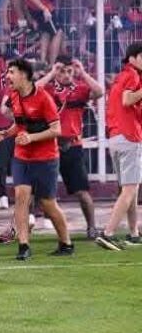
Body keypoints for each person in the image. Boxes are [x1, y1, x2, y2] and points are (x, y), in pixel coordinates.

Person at [0, 58, 74, 260]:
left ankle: (66, 243)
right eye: (7, 72)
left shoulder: (44, 98)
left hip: (46, 158)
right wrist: (6, 133)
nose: (7, 76)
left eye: (11, 72)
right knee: (21, 197)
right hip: (22, 156)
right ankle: (23, 246)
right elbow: (20, 125)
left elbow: (56, 130)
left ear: (24, 75)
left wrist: (31, 138)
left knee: (48, 204)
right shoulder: (13, 96)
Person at [36, 57, 104, 238]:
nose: (66, 75)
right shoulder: (48, 90)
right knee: (40, 191)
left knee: (82, 192)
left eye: (69, 71)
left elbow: (99, 91)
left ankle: (91, 227)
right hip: (49, 146)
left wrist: (83, 72)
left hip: (72, 146)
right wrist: (51, 73)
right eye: (62, 71)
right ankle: (34, 225)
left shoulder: (80, 89)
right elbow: (32, 91)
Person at [96, 44, 142, 250]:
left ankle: (134, 233)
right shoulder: (133, 76)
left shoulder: (121, 77)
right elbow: (127, 100)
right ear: (132, 58)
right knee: (130, 190)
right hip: (129, 137)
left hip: (116, 137)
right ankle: (107, 233)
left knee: (130, 189)